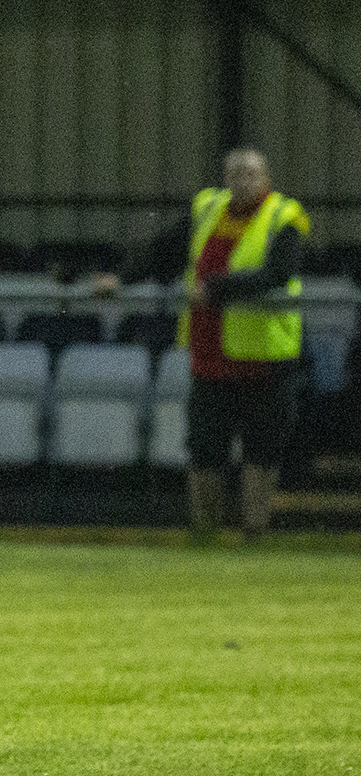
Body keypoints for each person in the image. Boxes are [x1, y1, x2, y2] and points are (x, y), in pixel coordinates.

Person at [93, 147, 309, 541]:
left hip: (265, 355)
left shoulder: (285, 216)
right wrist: (121, 279)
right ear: (225, 177)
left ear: (266, 178)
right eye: (234, 173)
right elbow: (163, 252)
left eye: (250, 173)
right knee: (205, 443)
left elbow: (278, 273)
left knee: (261, 447)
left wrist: (215, 289)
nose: (241, 180)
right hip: (210, 354)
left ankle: (254, 532)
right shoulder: (208, 208)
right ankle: (204, 531)